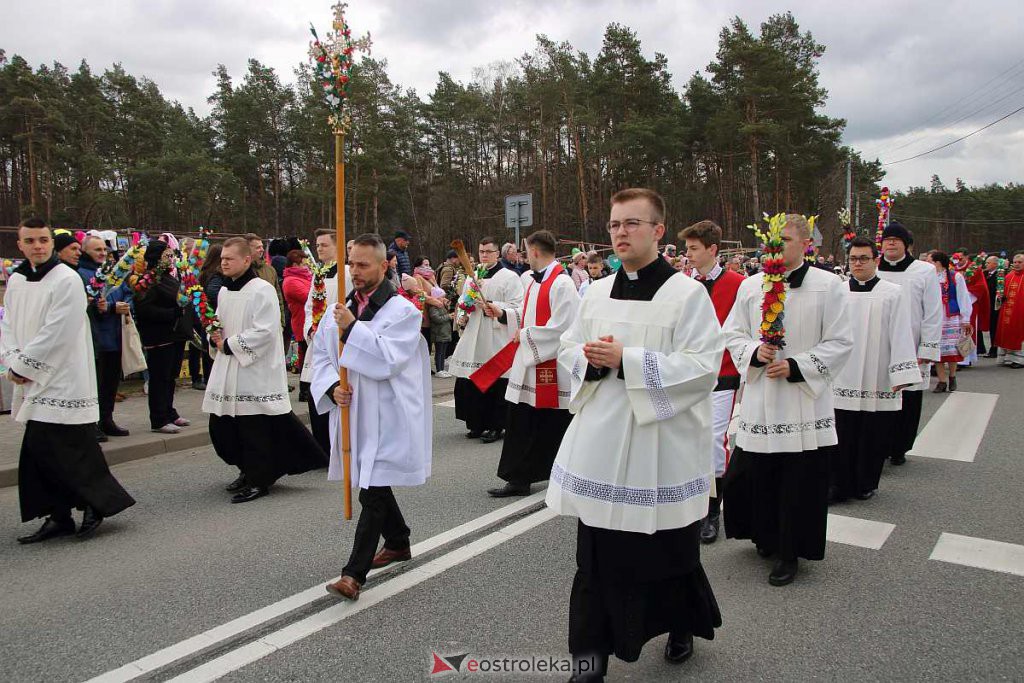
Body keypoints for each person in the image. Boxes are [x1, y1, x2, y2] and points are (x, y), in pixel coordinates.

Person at [547, 189, 723, 680]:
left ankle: (680, 623)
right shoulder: (595, 292)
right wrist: (589, 361)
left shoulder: (687, 295)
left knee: (666, 549)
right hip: (602, 441)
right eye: (614, 225)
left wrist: (626, 361)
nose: (620, 233)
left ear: (659, 231)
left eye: (632, 224)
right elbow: (566, 349)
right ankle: (589, 659)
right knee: (596, 555)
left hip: (660, 444)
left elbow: (702, 368)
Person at [722, 213, 853, 586]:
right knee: (759, 474)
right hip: (763, 397)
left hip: (803, 399)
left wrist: (797, 366)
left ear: (807, 244)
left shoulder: (828, 285)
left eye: (785, 242)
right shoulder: (751, 286)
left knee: (799, 479)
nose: (774, 250)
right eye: (771, 242)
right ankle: (765, 535)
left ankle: (791, 550)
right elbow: (731, 333)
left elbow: (841, 340)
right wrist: (753, 352)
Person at [312, 233, 432, 601]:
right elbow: (320, 355)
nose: (355, 271)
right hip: (355, 412)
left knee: (373, 489)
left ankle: (353, 575)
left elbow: (386, 361)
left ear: (384, 265)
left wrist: (352, 327)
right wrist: (332, 385)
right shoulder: (339, 308)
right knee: (373, 480)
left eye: (363, 265)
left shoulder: (404, 312)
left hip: (388, 414)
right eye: (352, 264)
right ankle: (398, 541)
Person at [2, 218, 135, 543]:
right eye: (30, 241)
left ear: (51, 242)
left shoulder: (66, 279)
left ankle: (97, 504)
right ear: (20, 245)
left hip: (63, 377)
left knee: (74, 447)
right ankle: (57, 515)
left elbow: (57, 331)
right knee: (39, 450)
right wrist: (12, 360)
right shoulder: (17, 280)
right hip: (30, 376)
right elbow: (6, 322)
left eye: (43, 240)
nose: (37, 246)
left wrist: (24, 365)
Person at [204, 237, 325, 503]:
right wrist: (213, 333)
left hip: (254, 369)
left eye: (229, 259)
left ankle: (259, 479)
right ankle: (246, 469)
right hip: (228, 367)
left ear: (246, 260)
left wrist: (230, 344)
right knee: (224, 426)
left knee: (253, 427)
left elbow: (266, 331)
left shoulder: (262, 289)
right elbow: (220, 322)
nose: (223, 263)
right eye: (222, 258)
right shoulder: (224, 291)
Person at [477, 229, 580, 498]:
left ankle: (564, 474)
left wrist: (523, 335)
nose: (523, 256)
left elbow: (564, 328)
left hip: (552, 368)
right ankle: (519, 478)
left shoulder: (562, 284)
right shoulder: (532, 281)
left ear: (535, 251)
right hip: (529, 365)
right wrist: (502, 314)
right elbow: (524, 313)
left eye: (525, 251)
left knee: (552, 424)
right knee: (521, 421)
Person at [831, 237, 920, 502]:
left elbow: (902, 332)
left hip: (877, 371)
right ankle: (839, 483)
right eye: (853, 259)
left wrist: (901, 373)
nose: (857, 264)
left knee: (872, 431)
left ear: (875, 260)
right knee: (842, 431)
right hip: (844, 372)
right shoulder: (839, 291)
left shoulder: (892, 292)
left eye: (863, 259)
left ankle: (866, 482)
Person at [681, 219, 745, 544]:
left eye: (694, 248)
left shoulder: (737, 283)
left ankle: (713, 511)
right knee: (690, 440)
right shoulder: (681, 283)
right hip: (689, 374)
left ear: (712, 249)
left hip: (723, 373)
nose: (688, 254)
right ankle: (691, 504)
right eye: (687, 248)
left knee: (714, 441)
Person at [875, 222, 943, 465]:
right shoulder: (872, 268)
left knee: (908, 397)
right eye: (887, 239)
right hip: (879, 343)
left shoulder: (923, 271)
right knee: (879, 395)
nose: (891, 243)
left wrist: (927, 347)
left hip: (912, 343)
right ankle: (878, 445)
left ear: (907, 244)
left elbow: (933, 311)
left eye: (896, 239)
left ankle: (900, 446)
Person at [450, 236, 524, 443]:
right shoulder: (474, 276)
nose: (484, 255)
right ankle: (476, 423)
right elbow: (463, 300)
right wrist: (463, 311)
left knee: (494, 382)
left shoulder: (509, 277)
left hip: (495, 334)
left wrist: (495, 307)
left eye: (488, 252)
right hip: (474, 333)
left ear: (497, 253)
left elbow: (519, 306)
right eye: (481, 251)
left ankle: (495, 425)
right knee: (470, 380)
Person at [299, 230, 352, 455]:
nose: (319, 249)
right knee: (316, 389)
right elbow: (310, 307)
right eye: (317, 245)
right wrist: (311, 329)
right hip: (318, 341)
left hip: (338, 340)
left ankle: (338, 445)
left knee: (335, 389)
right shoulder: (318, 275)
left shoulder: (349, 274)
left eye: (324, 245)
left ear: (338, 247)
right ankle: (321, 446)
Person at [78, 235, 133, 437]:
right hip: (98, 337)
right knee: (96, 384)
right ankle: (92, 423)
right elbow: (86, 304)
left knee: (110, 382)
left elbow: (127, 292)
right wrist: (110, 307)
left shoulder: (111, 272)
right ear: (86, 251)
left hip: (116, 334)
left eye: (104, 249)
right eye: (97, 250)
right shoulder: (81, 274)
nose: (102, 253)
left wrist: (127, 305)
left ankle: (107, 419)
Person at [133, 240, 191, 434]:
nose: (171, 259)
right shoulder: (148, 280)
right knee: (160, 378)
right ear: (156, 258)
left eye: (171, 255)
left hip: (175, 334)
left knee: (171, 376)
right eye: (167, 256)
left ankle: (169, 412)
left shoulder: (170, 277)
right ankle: (158, 418)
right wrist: (172, 313)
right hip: (159, 336)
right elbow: (143, 309)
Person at [928, 251, 972, 392]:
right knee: (937, 351)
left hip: (951, 317)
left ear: (938, 262)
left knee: (951, 351)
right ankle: (941, 381)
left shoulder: (955, 276)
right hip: (934, 318)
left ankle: (952, 377)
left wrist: (966, 318)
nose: (927, 264)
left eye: (930, 261)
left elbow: (963, 297)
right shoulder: (928, 277)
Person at [956, 252, 989, 363]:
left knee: (968, 329)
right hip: (955, 303)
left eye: (961, 258)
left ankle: (966, 359)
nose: (959, 261)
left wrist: (966, 297)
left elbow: (981, 286)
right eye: (957, 259)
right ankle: (956, 357)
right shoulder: (952, 268)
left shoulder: (975, 269)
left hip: (970, 303)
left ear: (966, 257)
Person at [282, 248, 313, 368]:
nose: (307, 268)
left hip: (308, 321)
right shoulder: (290, 282)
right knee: (305, 358)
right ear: (295, 265)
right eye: (304, 265)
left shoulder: (305, 278)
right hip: (302, 323)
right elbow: (309, 297)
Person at [994, 252, 1024, 368]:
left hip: (1020, 310)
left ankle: (1019, 360)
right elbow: (1000, 291)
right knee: (1006, 332)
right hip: (1007, 310)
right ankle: (1007, 357)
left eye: (1020, 262)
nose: (1016, 264)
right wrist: (1000, 298)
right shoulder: (1008, 276)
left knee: (1019, 333)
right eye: (1015, 262)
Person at [984, 255, 1001, 357]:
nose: (986, 265)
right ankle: (992, 347)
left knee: (994, 327)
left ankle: (994, 348)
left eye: (988, 263)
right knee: (990, 327)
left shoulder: (999, 275)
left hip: (995, 305)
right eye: (986, 263)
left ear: (995, 264)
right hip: (987, 304)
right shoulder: (985, 274)